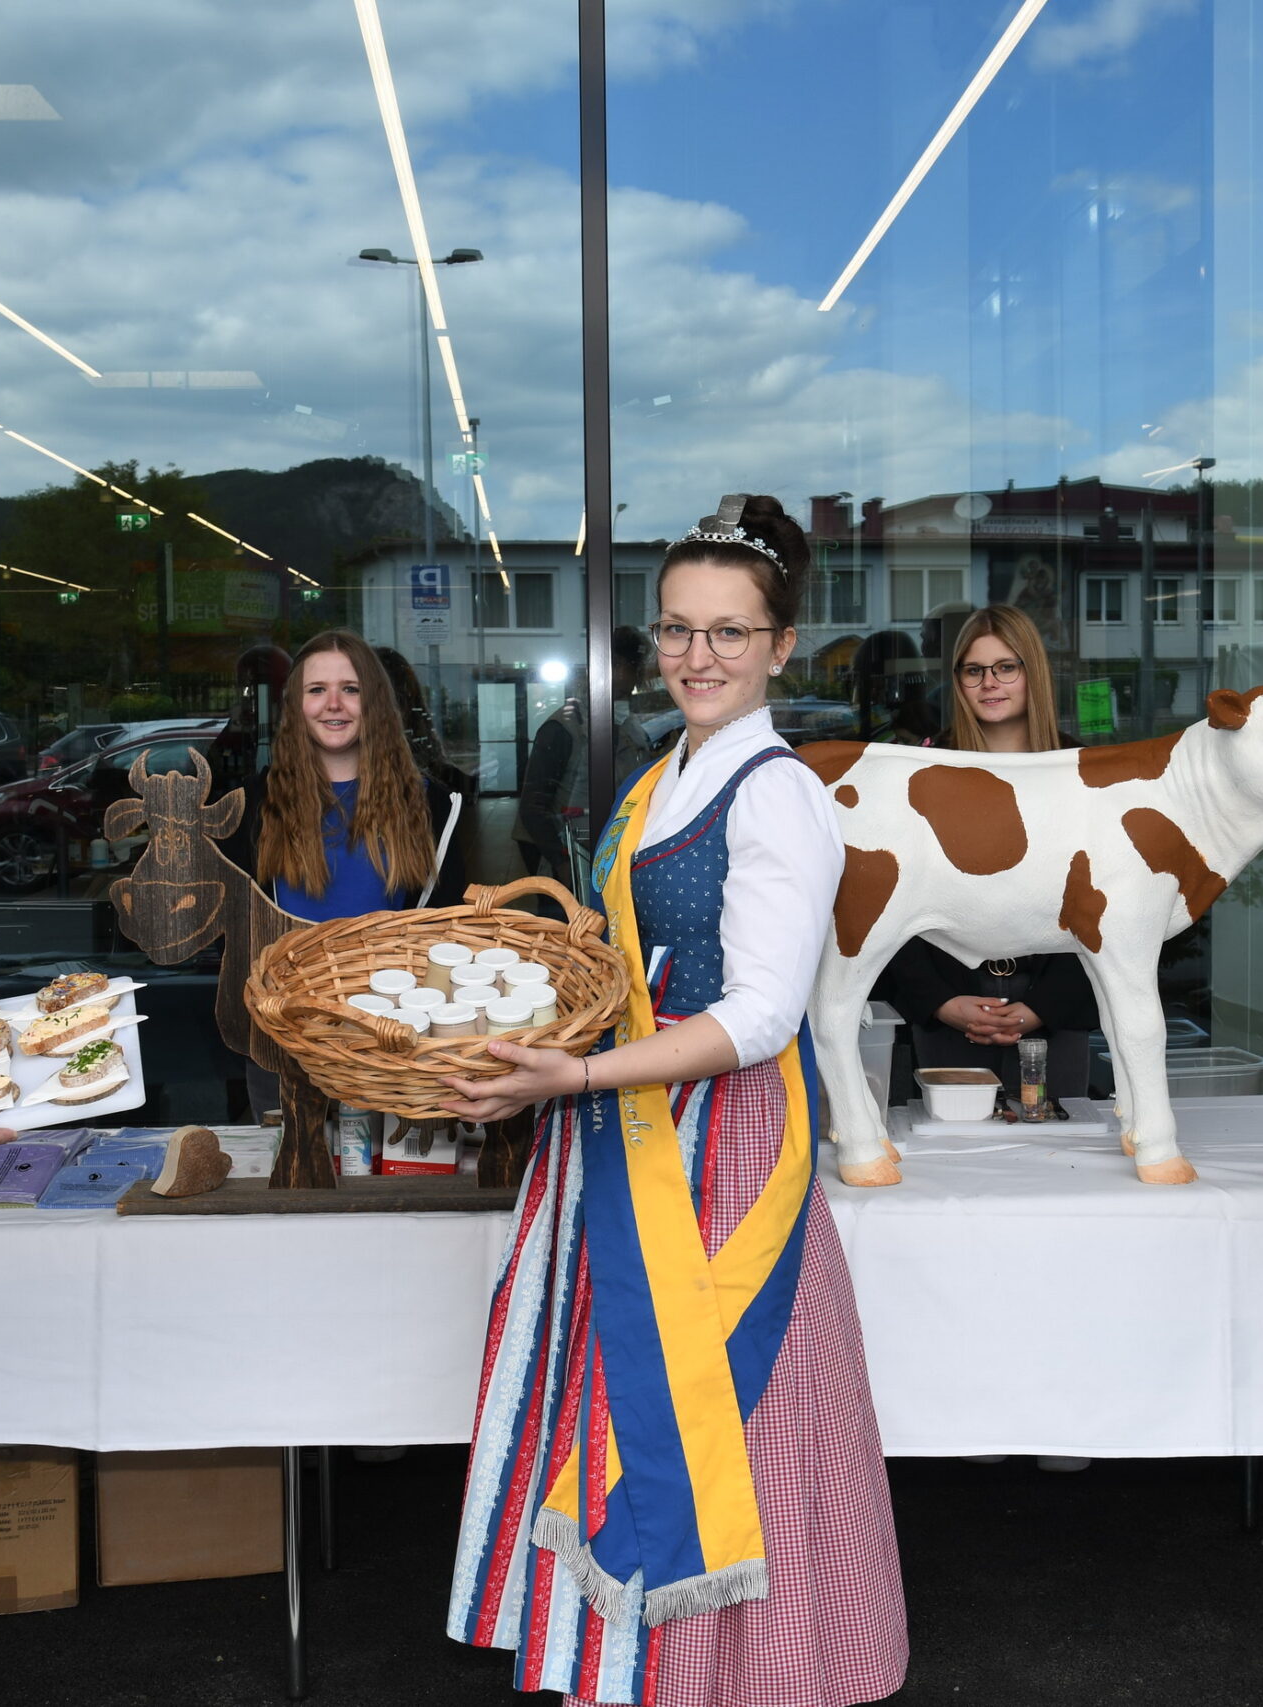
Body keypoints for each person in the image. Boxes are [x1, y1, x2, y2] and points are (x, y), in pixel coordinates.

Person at [441, 495, 908, 1706]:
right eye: (677, 631)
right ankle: (636, 1671)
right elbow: (623, 965)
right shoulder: (671, 771)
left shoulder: (777, 793)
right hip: (625, 1123)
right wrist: (530, 1052)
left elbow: (761, 1017)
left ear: (779, 647)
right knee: (626, 1388)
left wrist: (579, 1076)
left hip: (720, 1144)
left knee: (720, 1399)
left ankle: (749, 1678)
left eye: (729, 633)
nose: (698, 656)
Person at [876, 604, 1101, 1103]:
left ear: (1032, 673)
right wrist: (939, 1001)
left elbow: (1107, 904)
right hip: (950, 1007)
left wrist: (1043, 1005)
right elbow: (891, 896)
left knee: (1062, 1162)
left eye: (1006, 667)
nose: (989, 683)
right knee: (951, 1166)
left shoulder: (1081, 773)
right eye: (974, 670)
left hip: (1053, 1015)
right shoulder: (926, 771)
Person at [239, 628, 467, 1115]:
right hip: (286, 1035)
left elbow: (449, 936)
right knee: (292, 1179)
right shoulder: (256, 804)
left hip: (390, 1043)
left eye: (351, 689)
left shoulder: (432, 805)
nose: (333, 705)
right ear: (295, 706)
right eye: (317, 690)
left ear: (376, 703)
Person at [516, 625, 661, 889]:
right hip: (568, 857)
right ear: (613, 666)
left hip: (611, 854)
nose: (637, 682)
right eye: (634, 671)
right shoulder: (563, 728)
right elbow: (532, 810)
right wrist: (563, 866)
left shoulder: (629, 726)